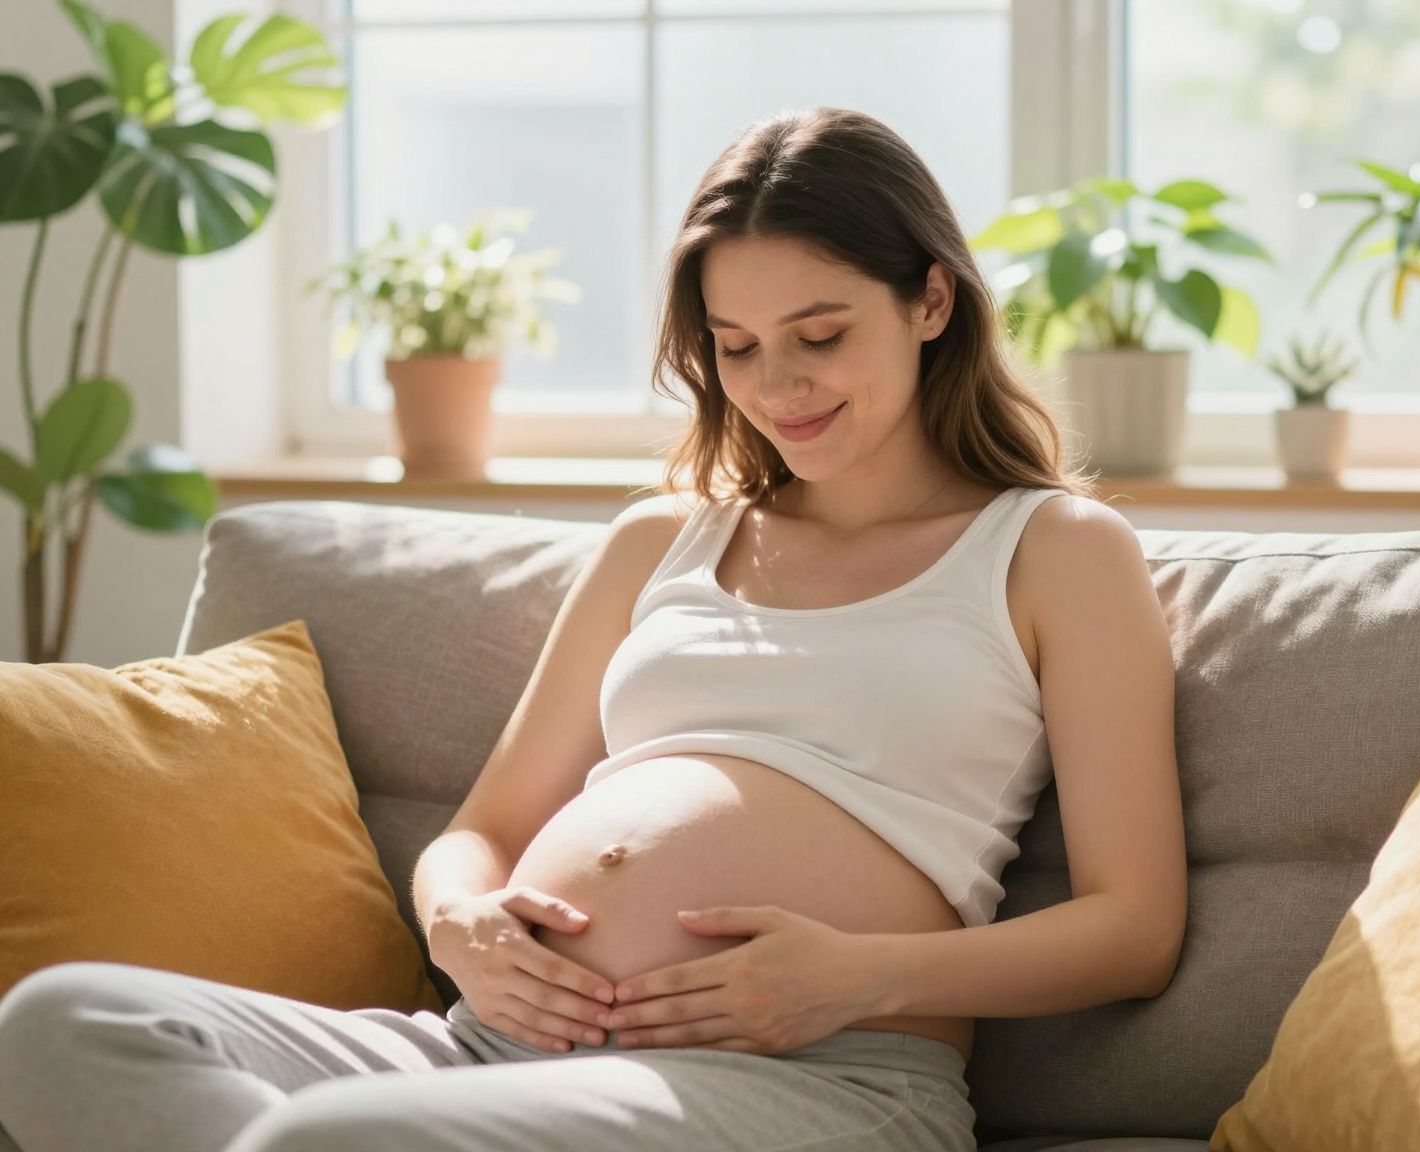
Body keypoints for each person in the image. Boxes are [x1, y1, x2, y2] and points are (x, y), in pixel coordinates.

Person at [0, 105, 1187, 1152]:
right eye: (735, 350)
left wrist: (855, 976)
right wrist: (459, 922)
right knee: (58, 1025)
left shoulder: (1051, 551)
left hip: (817, 1081)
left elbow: (1133, 928)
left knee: (342, 1140)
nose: (777, 388)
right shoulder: (659, 541)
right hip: (488, 1051)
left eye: (819, 335)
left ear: (930, 300)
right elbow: (486, 830)